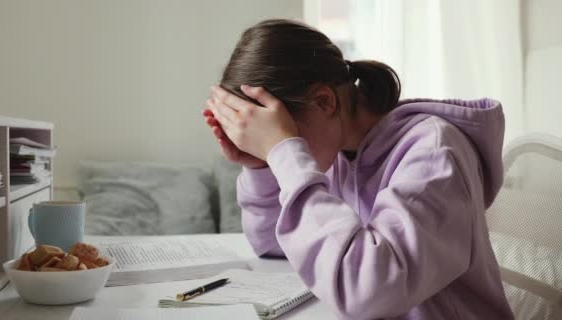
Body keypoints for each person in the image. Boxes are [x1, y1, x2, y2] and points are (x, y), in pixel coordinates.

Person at [202, 19, 514, 319]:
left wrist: (285, 154)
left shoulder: (433, 152)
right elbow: (273, 244)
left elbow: (368, 288)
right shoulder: (340, 153)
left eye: (281, 135)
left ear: (324, 102)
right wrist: (263, 167)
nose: (282, 153)